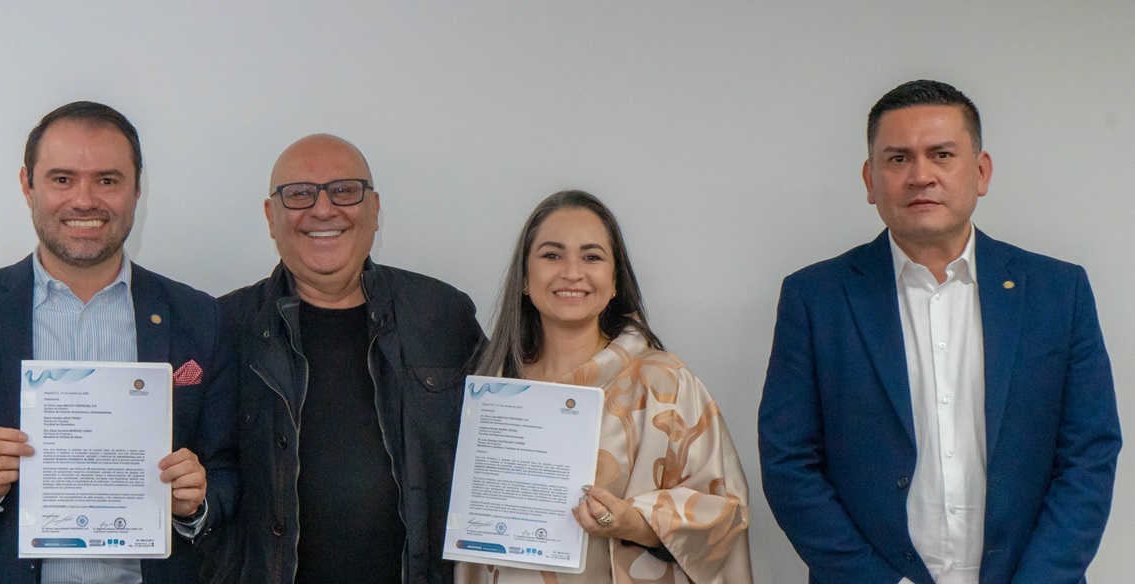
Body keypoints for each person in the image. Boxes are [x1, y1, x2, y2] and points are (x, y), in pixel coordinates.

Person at [759, 80, 1120, 583]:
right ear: (870, 180)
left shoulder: (1058, 291)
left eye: (942, 155)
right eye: (898, 159)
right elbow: (789, 461)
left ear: (981, 171)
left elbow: (1089, 454)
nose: (920, 176)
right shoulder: (816, 298)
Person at [0, 101, 237, 584]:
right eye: (62, 179)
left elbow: (229, 469)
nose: (84, 200)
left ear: (137, 189)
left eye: (107, 180)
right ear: (27, 185)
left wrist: (197, 503)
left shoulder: (200, 317)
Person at [215, 134, 484, 584]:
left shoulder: (442, 315)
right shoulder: (223, 328)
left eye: (344, 190)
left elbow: (505, 443)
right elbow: (202, 485)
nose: (323, 209)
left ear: (374, 209)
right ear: (270, 216)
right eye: (299, 193)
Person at [455, 190, 751, 583]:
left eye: (591, 257)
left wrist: (635, 522)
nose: (572, 272)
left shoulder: (664, 384)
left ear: (614, 282)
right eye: (551, 255)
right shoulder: (493, 390)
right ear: (524, 279)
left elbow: (724, 513)